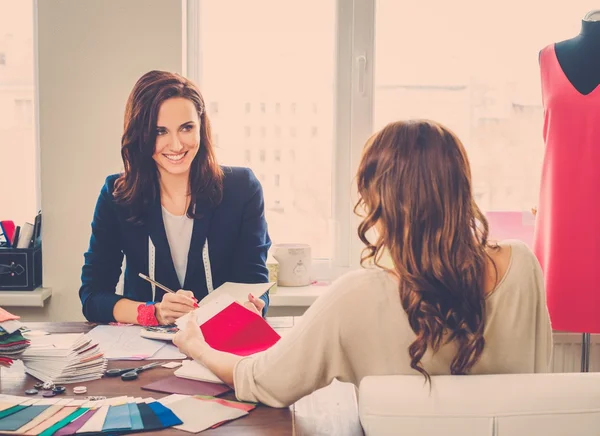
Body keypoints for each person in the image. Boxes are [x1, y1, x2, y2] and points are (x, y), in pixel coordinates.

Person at [173, 119, 553, 407]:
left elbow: (261, 382)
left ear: (378, 198)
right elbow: (538, 384)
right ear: (461, 187)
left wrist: (196, 345)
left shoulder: (356, 295)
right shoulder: (522, 266)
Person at [79, 70, 271, 326]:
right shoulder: (117, 194)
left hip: (219, 341)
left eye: (186, 128)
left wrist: (254, 306)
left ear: (201, 127)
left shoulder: (242, 188)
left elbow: (254, 280)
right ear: (141, 135)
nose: (177, 145)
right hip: (143, 350)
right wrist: (153, 312)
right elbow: (93, 297)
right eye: (160, 131)